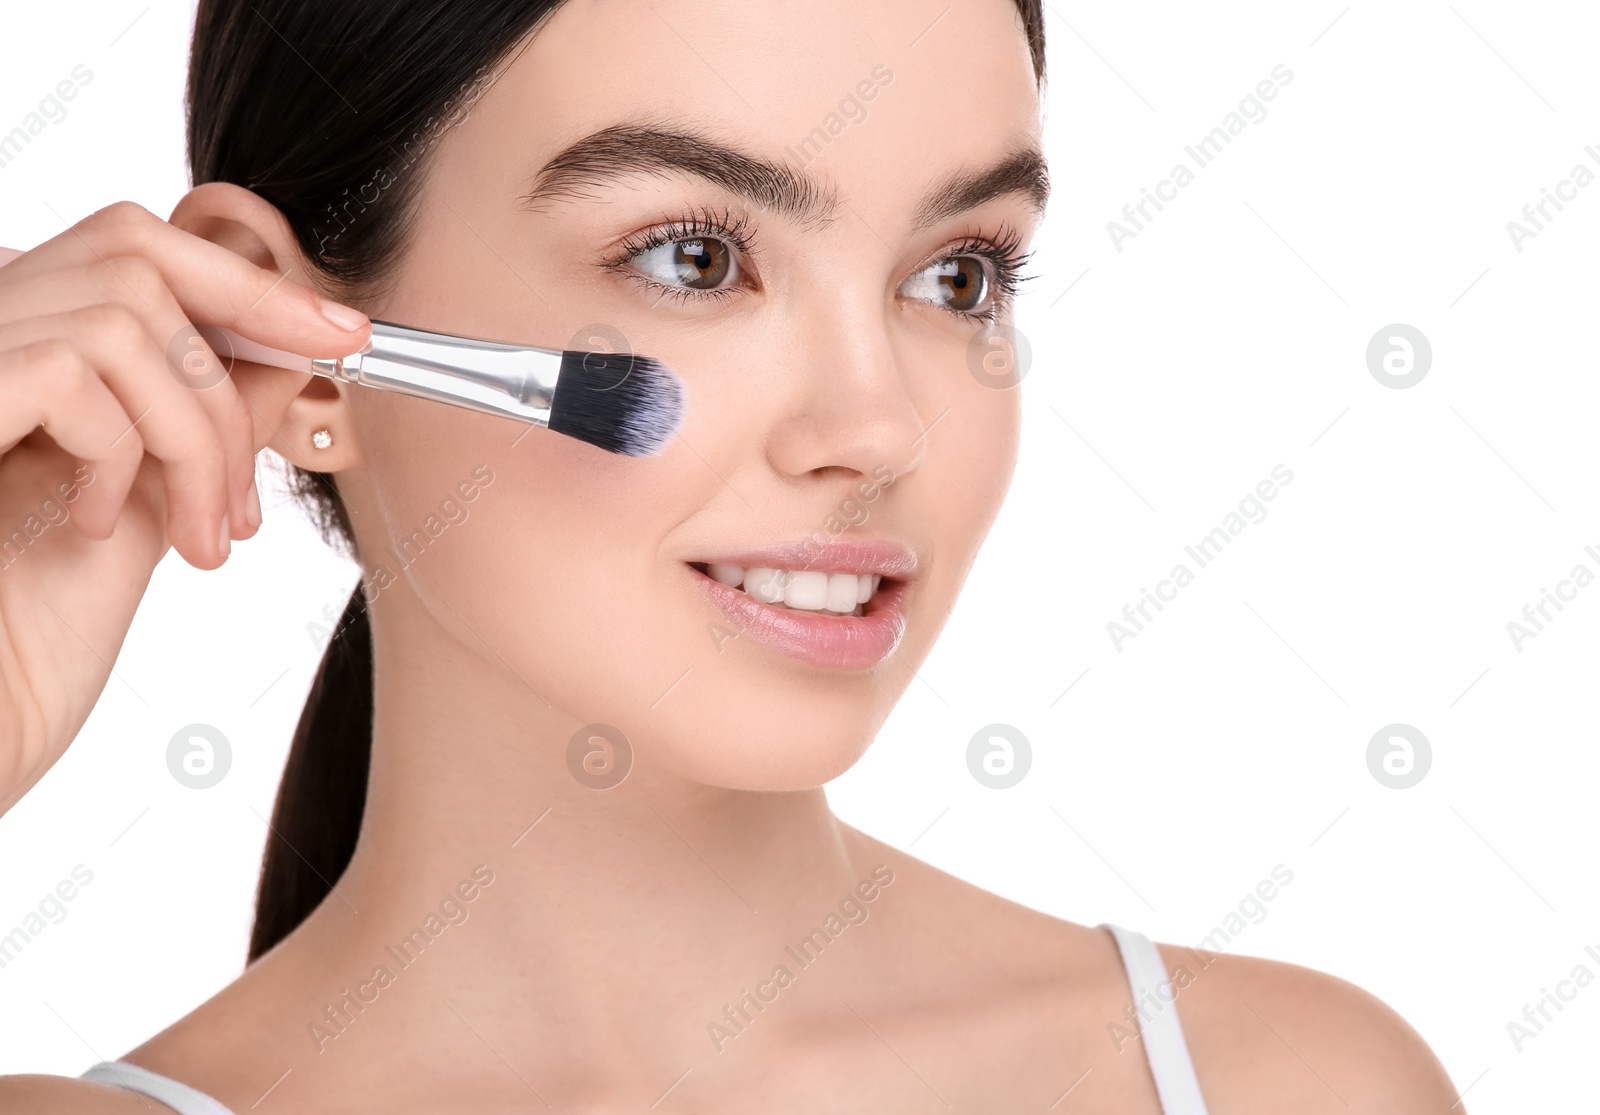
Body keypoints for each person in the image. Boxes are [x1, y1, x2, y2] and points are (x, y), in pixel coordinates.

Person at [0, 1, 1460, 1110]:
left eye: (960, 275)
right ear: (301, 356)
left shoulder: (1280, 1084)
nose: (878, 425)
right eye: (695, 258)